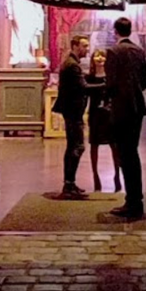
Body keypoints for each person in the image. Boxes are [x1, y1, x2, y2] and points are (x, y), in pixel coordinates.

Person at [103, 16, 146, 220]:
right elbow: (145, 82)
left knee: (125, 156)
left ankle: (132, 204)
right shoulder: (139, 51)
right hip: (137, 109)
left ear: (115, 31)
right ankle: (135, 200)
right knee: (133, 154)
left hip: (121, 109)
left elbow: (110, 84)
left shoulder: (113, 52)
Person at [52, 34, 90, 200]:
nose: (87, 49)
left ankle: (70, 183)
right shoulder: (72, 65)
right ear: (75, 46)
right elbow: (83, 87)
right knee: (77, 147)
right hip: (73, 112)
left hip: (73, 111)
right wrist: (107, 85)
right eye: (84, 46)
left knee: (73, 147)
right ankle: (68, 185)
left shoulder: (72, 63)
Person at [84, 48, 120, 193]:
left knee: (114, 146)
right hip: (95, 114)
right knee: (94, 145)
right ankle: (95, 177)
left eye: (103, 56)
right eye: (97, 56)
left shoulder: (112, 76)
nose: (100, 59)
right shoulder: (89, 77)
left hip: (110, 114)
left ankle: (117, 176)